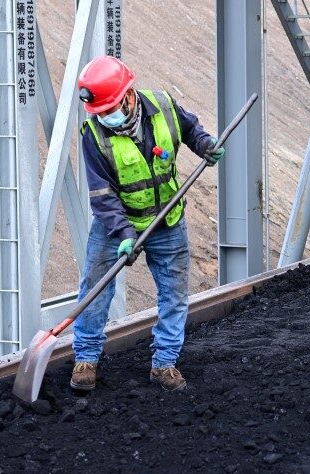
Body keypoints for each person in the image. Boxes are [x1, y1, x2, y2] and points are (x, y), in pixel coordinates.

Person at [70, 56, 224, 392]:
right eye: (99, 112)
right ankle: (85, 359)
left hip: (167, 220)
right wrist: (125, 234)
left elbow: (190, 129)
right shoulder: (93, 134)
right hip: (116, 225)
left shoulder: (163, 105)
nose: (105, 116)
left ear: (128, 95)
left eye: (109, 108)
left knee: (174, 293)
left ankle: (164, 363)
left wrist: (205, 146)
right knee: (95, 289)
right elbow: (102, 194)